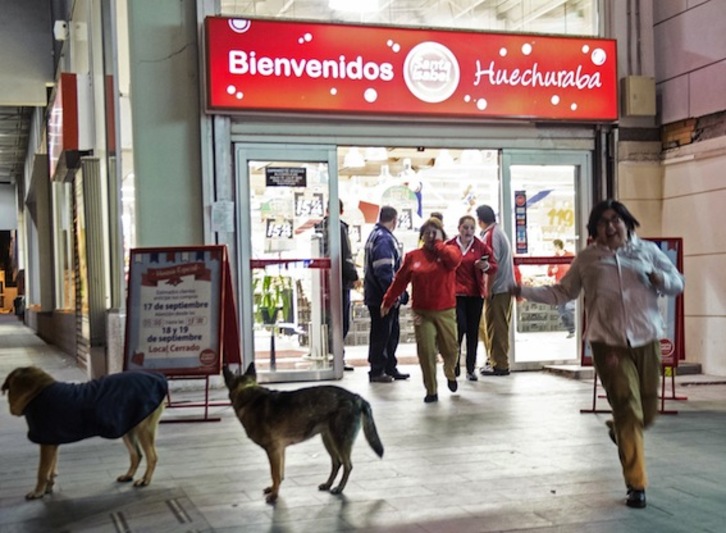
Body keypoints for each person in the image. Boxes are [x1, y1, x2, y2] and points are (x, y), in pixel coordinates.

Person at [511, 199, 684, 509]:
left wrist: (661, 280)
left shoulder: (647, 253)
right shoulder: (588, 260)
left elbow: (677, 283)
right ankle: (637, 483)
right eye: (603, 222)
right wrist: (523, 291)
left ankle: (620, 431)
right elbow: (563, 293)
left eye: (615, 220)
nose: (610, 226)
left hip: (646, 338)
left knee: (645, 411)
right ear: (594, 231)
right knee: (628, 408)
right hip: (608, 343)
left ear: (626, 223)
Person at [381, 217, 462, 403]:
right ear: (422, 236)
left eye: (435, 232)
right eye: (427, 233)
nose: (431, 236)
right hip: (422, 312)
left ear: (442, 234)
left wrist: (439, 246)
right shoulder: (413, 256)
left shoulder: (450, 252)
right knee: (426, 352)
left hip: (446, 311)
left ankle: (450, 372)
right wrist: (388, 300)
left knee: (450, 350)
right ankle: (431, 390)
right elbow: (400, 281)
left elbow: (454, 261)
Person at [446, 215, 497, 381]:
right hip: (456, 294)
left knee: (473, 332)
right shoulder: (450, 246)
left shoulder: (480, 246)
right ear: (459, 228)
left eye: (471, 228)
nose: (468, 231)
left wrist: (486, 266)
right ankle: (454, 365)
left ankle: (470, 368)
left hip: (475, 294)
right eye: (465, 228)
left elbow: (493, 265)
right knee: (459, 328)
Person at [363, 206, 410, 383]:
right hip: (382, 297)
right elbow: (384, 271)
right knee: (382, 334)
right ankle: (378, 370)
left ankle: (389, 366)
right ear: (394, 220)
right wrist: (392, 295)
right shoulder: (384, 239)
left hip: (376, 295)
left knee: (387, 333)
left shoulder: (375, 235)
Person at [316, 200, 360, 371]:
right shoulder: (339, 228)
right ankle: (337, 359)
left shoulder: (320, 228)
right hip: (339, 282)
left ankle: (332, 356)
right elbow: (344, 255)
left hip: (323, 282)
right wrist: (354, 276)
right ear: (341, 211)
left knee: (329, 319)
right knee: (341, 321)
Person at [476, 204, 516, 376]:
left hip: (498, 288)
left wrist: (488, 289)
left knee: (496, 327)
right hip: (505, 286)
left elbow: (493, 265)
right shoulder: (499, 232)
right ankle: (496, 360)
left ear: (480, 221)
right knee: (497, 326)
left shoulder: (491, 236)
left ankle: (499, 364)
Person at [548, 238, 576, 338]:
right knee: (561, 310)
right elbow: (549, 272)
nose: (553, 249)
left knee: (569, 307)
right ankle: (571, 330)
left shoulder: (570, 255)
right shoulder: (553, 259)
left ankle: (573, 328)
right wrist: (553, 271)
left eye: (553, 247)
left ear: (557, 247)